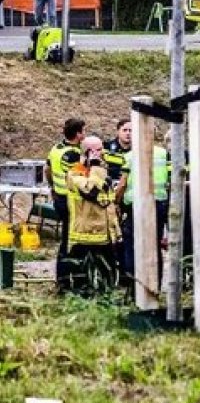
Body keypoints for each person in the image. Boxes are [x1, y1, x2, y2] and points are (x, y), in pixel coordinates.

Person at [63, 136, 121, 292]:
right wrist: (95, 167)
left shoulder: (101, 171)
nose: (103, 153)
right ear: (89, 152)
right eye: (99, 150)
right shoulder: (76, 173)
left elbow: (108, 200)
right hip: (86, 234)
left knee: (108, 273)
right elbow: (91, 191)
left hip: (105, 233)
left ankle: (106, 295)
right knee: (81, 276)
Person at [115, 138, 169, 285]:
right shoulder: (164, 154)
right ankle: (155, 282)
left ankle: (133, 284)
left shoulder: (130, 156)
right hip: (159, 204)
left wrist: (115, 202)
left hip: (136, 205)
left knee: (132, 244)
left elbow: (122, 184)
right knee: (155, 244)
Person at [45, 118, 85, 288]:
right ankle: (67, 280)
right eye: (83, 131)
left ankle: (63, 279)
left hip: (59, 198)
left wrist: (52, 186)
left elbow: (47, 169)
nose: (85, 134)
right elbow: (80, 178)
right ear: (78, 134)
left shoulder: (56, 148)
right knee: (70, 241)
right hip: (70, 202)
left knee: (65, 239)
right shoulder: (73, 154)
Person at [103, 119, 132, 186]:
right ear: (118, 131)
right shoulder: (107, 147)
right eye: (124, 130)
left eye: (130, 131)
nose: (128, 133)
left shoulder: (137, 150)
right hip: (110, 187)